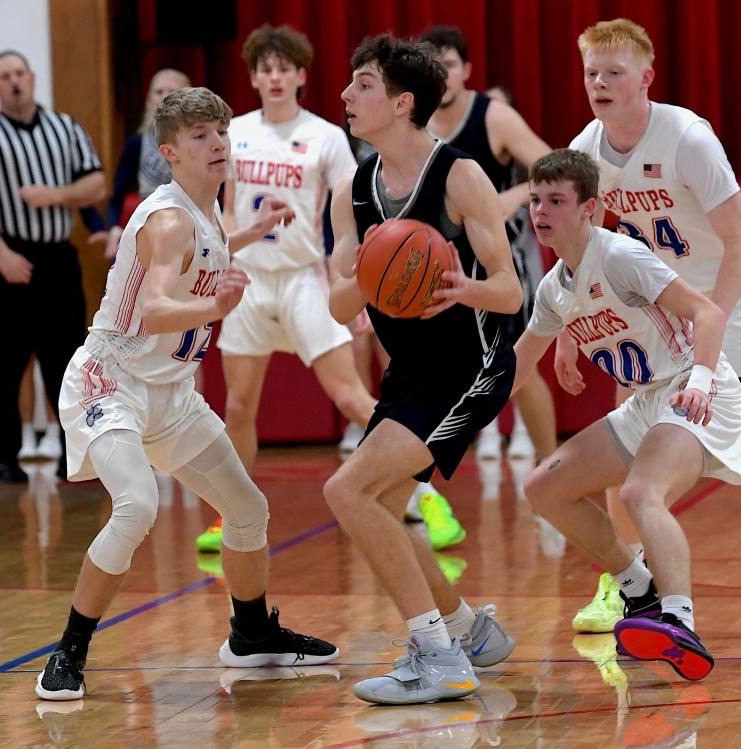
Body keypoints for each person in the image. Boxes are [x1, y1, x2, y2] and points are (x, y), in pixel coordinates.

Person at [34, 86, 337, 701]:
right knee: (137, 506)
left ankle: (250, 634)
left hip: (169, 392)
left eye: (221, 131)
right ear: (170, 152)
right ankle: (67, 652)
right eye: (201, 136)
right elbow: (154, 309)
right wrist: (217, 304)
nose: (218, 143)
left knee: (247, 509)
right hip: (110, 380)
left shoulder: (206, 209)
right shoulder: (170, 219)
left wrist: (250, 232)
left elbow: (211, 250)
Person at [560, 18, 741, 641]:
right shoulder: (587, 148)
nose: (600, 84)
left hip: (731, 292)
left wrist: (707, 340)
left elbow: (740, 244)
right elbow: (580, 244)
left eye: (613, 73)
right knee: (624, 435)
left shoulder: (687, 138)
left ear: (645, 79)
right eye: (591, 74)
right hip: (659, 298)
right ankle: (627, 579)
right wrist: (568, 328)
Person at [197, 24, 462, 556]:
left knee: (349, 396)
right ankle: (232, 515)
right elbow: (220, 209)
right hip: (248, 278)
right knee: (240, 407)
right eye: (264, 69)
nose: (273, 77)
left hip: (302, 278)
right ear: (253, 77)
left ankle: (428, 494)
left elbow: (359, 212)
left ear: (300, 75)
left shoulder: (324, 135)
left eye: (283, 68)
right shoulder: (233, 133)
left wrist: (359, 278)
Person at [326, 34, 522, 705]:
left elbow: (510, 290)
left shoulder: (461, 175)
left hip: (471, 363)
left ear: (403, 102)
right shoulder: (354, 188)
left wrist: (457, 286)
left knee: (348, 492)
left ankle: (438, 657)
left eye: (363, 85)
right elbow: (337, 301)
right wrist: (373, 270)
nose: (347, 96)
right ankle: (471, 632)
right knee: (377, 505)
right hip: (410, 370)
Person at [514, 148, 741, 679]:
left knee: (640, 493)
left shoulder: (619, 256)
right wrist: (449, 419)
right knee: (543, 488)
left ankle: (680, 620)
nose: (541, 212)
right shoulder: (553, 289)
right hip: (647, 401)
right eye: (535, 201)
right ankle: (639, 591)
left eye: (556, 200)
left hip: (695, 386)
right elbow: (518, 366)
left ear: (588, 209)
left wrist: (703, 381)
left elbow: (707, 314)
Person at [0, 50, 106, 483]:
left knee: (67, 359)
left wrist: (57, 196)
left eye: (19, 73)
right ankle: (4, 457)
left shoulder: (66, 127)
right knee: (6, 358)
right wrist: (1, 252)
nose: (14, 81)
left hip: (57, 257)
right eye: (4, 76)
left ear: (33, 77)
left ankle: (72, 456)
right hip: (8, 256)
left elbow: (95, 182)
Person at [421, 26, 556, 465]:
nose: (441, 75)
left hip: (496, 263)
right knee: (426, 376)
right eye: (432, 66)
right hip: (438, 267)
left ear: (466, 71)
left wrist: (510, 199)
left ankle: (550, 464)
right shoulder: (410, 120)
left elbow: (552, 167)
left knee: (517, 369)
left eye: (449, 65)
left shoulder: (492, 115)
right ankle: (414, 488)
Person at [103, 69, 192, 260]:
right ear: (148, 100)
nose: (165, 97)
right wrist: (114, 228)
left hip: (191, 226)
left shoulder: (201, 142)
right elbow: (116, 197)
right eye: (158, 92)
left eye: (172, 91)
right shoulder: (137, 143)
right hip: (149, 228)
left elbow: (218, 193)